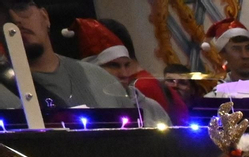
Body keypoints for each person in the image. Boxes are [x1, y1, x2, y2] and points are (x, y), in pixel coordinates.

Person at [1, 1, 167, 124]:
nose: (15, 20)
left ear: (45, 17)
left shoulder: (101, 80)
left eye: (22, 8)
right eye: (2, 14)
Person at [68, 17, 181, 123]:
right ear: (90, 70)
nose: (124, 74)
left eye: (127, 65)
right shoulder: (76, 111)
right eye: (113, 65)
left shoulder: (150, 107)